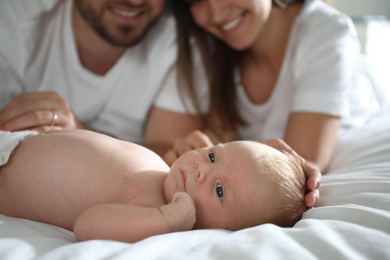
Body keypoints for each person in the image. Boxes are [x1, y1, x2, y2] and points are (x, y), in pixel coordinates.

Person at [168, 0, 390, 173]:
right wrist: (185, 152)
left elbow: (302, 164)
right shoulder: (209, 50)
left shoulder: (326, 32)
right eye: (196, 0)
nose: (216, 14)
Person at [0, 129, 306, 243]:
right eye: (213, 156)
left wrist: (168, 219)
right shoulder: (162, 171)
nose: (200, 169)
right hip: (18, 141)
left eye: (220, 190)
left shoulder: (153, 213)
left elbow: (88, 225)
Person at [0, 0, 209, 156]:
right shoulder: (13, 22)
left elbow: (170, 154)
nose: (135, 2)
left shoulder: (181, 45)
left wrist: (80, 133)